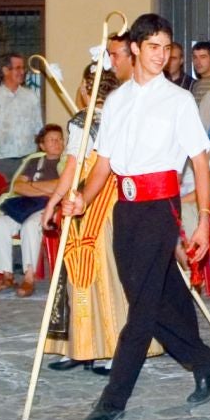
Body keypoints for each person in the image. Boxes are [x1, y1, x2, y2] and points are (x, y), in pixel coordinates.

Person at [61, 14, 210, 420]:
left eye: (166, 47)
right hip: (125, 207)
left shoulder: (178, 100)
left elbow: (200, 163)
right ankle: (205, 363)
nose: (161, 55)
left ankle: (113, 398)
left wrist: (204, 219)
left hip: (161, 207)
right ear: (134, 49)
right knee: (159, 295)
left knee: (141, 310)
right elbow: (104, 163)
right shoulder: (115, 101)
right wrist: (82, 196)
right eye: (153, 46)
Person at [43, 67, 157, 375]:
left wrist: (54, 200)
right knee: (108, 273)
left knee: (94, 272)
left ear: (85, 88)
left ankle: (104, 347)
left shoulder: (87, 121)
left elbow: (72, 168)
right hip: (118, 198)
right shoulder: (124, 115)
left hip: (92, 200)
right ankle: (87, 345)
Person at [0, 123, 64, 296]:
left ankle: (29, 278)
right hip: (26, 204)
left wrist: (32, 186)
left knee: (30, 226)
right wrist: (44, 188)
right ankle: (7, 275)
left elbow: (60, 187)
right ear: (42, 145)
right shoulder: (34, 161)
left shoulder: (67, 162)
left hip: (49, 207)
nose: (58, 143)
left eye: (60, 139)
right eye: (52, 140)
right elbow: (18, 186)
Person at [0, 54, 41, 183]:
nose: (22, 72)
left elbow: (38, 131)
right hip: (1, 163)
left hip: (27, 161)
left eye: (23, 68)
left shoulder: (31, 97)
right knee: (1, 199)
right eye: (17, 68)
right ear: (5, 70)